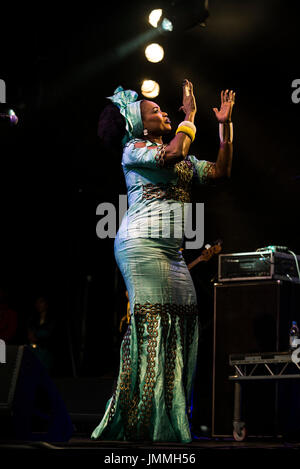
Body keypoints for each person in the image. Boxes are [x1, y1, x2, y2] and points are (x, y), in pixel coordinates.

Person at [91, 80, 235, 443]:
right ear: (139, 125)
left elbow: (220, 172)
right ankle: (143, 425)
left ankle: (170, 422)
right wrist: (190, 116)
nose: (164, 111)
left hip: (172, 254)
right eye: (155, 111)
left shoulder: (180, 152)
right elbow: (172, 154)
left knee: (183, 326)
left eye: (163, 109)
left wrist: (224, 126)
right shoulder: (133, 148)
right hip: (141, 246)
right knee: (153, 328)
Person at [27, 295, 56, 373]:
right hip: (34, 350)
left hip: (46, 350)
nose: (39, 305)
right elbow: (30, 334)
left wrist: (37, 337)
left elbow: (50, 335)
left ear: (46, 304)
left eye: (41, 302)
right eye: (37, 302)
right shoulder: (33, 318)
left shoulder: (52, 319)